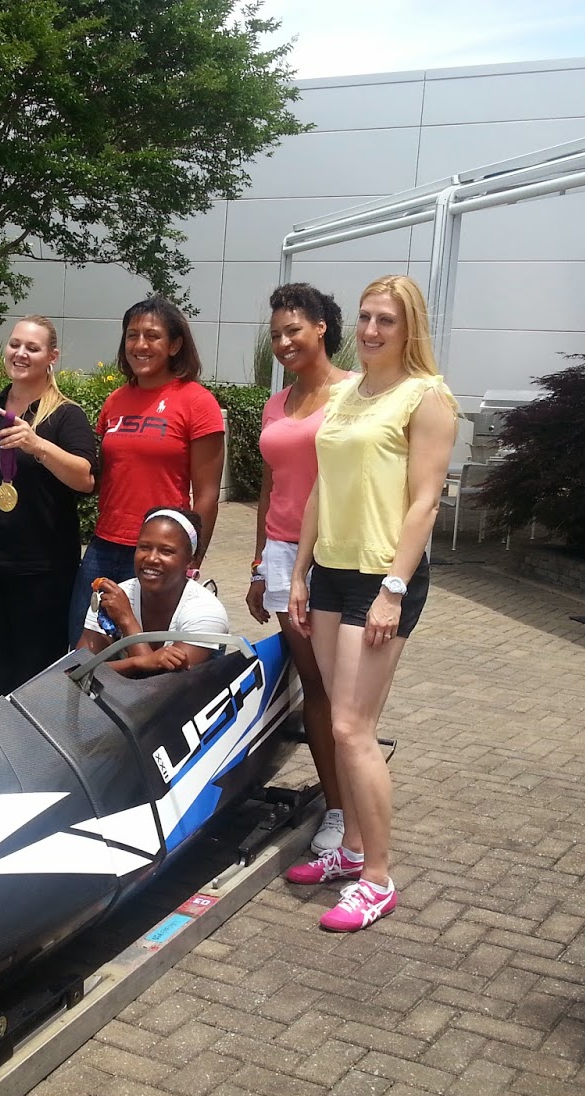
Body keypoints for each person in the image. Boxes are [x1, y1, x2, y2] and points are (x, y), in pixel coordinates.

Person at [284, 275, 457, 931]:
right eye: (365, 317)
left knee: (354, 729)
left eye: (386, 319)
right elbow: (321, 489)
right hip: (331, 571)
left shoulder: (427, 397)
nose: (372, 330)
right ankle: (351, 851)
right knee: (339, 722)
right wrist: (300, 572)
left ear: (409, 327)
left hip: (383, 578)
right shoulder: (346, 393)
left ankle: (378, 879)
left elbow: (425, 501)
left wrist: (393, 589)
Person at [0, 316, 97, 708]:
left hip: (41, 571)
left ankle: (33, 744)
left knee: (35, 674)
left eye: (32, 348)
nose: (20, 353)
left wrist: (36, 444)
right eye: (15, 344)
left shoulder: (65, 415)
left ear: (51, 357)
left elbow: (85, 478)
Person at [247, 283, 354, 858]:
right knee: (314, 683)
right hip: (284, 554)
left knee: (344, 689)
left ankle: (358, 802)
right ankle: (337, 807)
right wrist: (260, 564)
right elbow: (269, 488)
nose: (284, 342)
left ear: (321, 327)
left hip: (337, 555)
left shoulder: (355, 393)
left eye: (293, 330)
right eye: (275, 335)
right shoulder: (277, 403)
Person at [67, 296, 225, 645]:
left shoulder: (197, 402)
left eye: (152, 336)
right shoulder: (115, 401)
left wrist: (192, 558)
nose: (140, 345)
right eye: (132, 335)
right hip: (104, 546)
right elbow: (101, 477)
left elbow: (208, 493)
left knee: (149, 654)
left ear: (175, 345)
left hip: (160, 552)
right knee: (83, 653)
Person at [79, 508, 229, 677]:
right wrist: (137, 662)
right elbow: (76, 670)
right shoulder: (112, 599)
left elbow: (162, 685)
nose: (151, 558)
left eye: (166, 551)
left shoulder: (205, 610)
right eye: (144, 547)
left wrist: (127, 620)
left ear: (191, 560)